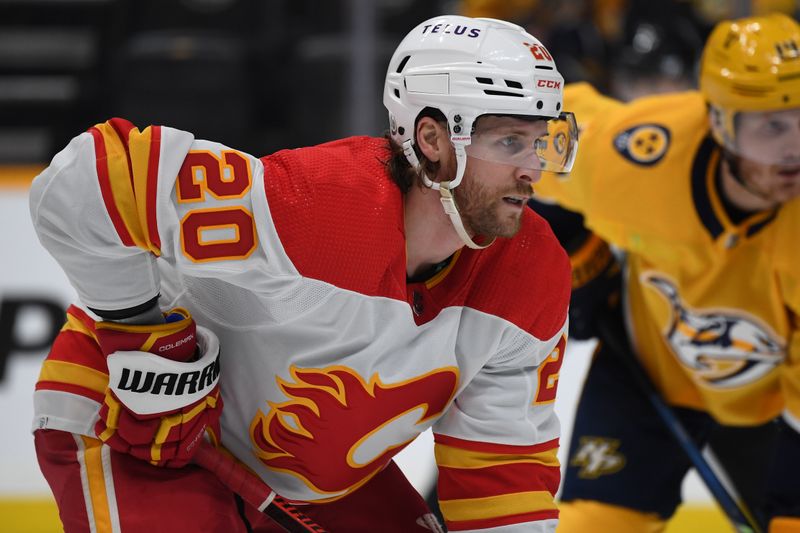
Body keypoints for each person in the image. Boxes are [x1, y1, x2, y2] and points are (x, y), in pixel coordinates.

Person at [29, 15, 579, 532]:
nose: (532, 167)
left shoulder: (532, 273)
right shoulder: (311, 207)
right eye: (509, 141)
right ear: (434, 141)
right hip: (131, 432)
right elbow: (90, 178)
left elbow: (503, 468)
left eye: (539, 141)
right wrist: (143, 335)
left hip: (316, 482)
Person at [529, 13, 800, 532]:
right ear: (719, 121)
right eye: (769, 126)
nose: (793, 149)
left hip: (776, 396)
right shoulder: (636, 159)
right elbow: (520, 130)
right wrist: (568, 242)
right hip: (646, 364)